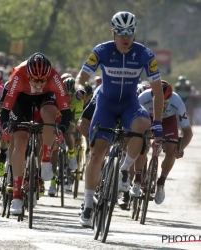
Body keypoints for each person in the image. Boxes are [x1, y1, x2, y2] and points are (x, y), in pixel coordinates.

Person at [75, 11, 164, 227]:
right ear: (113, 33)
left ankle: (124, 169)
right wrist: (79, 87)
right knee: (96, 154)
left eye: (130, 32)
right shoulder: (102, 50)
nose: (126, 37)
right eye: (121, 32)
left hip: (129, 106)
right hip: (105, 105)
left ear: (134, 33)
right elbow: (82, 76)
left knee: (143, 124)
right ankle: (87, 206)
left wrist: (159, 122)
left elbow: (158, 92)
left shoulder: (144, 54)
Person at [0, 52, 72, 215]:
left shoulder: (54, 77)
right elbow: (5, 109)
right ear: (28, 75)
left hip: (45, 99)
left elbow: (66, 111)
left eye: (43, 80)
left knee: (49, 115)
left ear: (49, 76)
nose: (39, 84)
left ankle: (46, 158)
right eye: (35, 80)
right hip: (21, 100)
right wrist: (5, 126)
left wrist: (60, 129)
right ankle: (16, 197)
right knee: (20, 140)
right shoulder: (18, 75)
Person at [130, 80, 193, 203]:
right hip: (147, 118)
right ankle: (137, 180)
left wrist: (180, 149)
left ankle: (161, 183)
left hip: (168, 121)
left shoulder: (177, 101)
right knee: (141, 145)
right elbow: (131, 120)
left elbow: (188, 132)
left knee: (172, 150)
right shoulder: (144, 97)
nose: (162, 105)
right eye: (159, 101)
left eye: (165, 102)